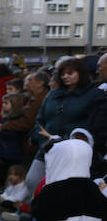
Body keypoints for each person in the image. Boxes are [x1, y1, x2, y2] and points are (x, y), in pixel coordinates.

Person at [27, 57, 102, 197]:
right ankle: (39, 214)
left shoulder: (93, 95)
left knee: (60, 188)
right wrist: (43, 141)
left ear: (81, 73)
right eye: (62, 74)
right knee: (33, 181)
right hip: (47, 147)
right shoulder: (53, 94)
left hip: (72, 151)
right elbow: (40, 119)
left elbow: (96, 124)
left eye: (70, 73)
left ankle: (52, 217)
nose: (65, 76)